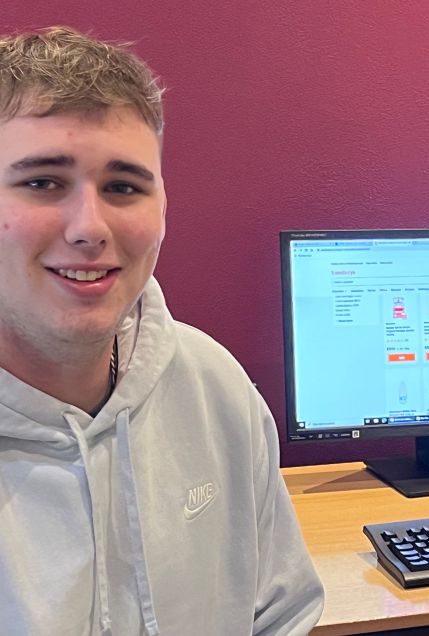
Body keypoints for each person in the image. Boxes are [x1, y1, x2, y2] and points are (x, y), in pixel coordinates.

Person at [0, 26, 324, 634]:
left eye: (123, 187)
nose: (89, 228)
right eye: (42, 181)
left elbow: (282, 612)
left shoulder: (212, 386)